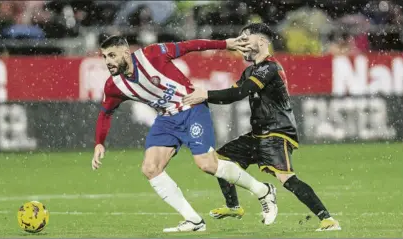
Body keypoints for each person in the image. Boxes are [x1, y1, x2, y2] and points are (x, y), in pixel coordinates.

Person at [91, 35, 278, 232]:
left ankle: (263, 191)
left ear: (126, 53)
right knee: (150, 168)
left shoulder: (152, 55)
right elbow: (105, 113)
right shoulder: (114, 86)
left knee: (207, 164)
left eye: (112, 55)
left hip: (191, 107)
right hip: (166, 120)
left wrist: (225, 44)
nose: (108, 62)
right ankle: (194, 220)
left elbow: (190, 46)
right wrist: (99, 143)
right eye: (104, 57)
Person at [182, 23, 341, 232]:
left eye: (247, 38)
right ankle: (234, 206)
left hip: (277, 132)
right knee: (218, 161)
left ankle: (327, 219)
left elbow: (241, 93)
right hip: (259, 134)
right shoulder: (250, 71)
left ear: (262, 41)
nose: (243, 43)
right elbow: (230, 96)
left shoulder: (269, 67)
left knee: (287, 178)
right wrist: (200, 98)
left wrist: (207, 94)